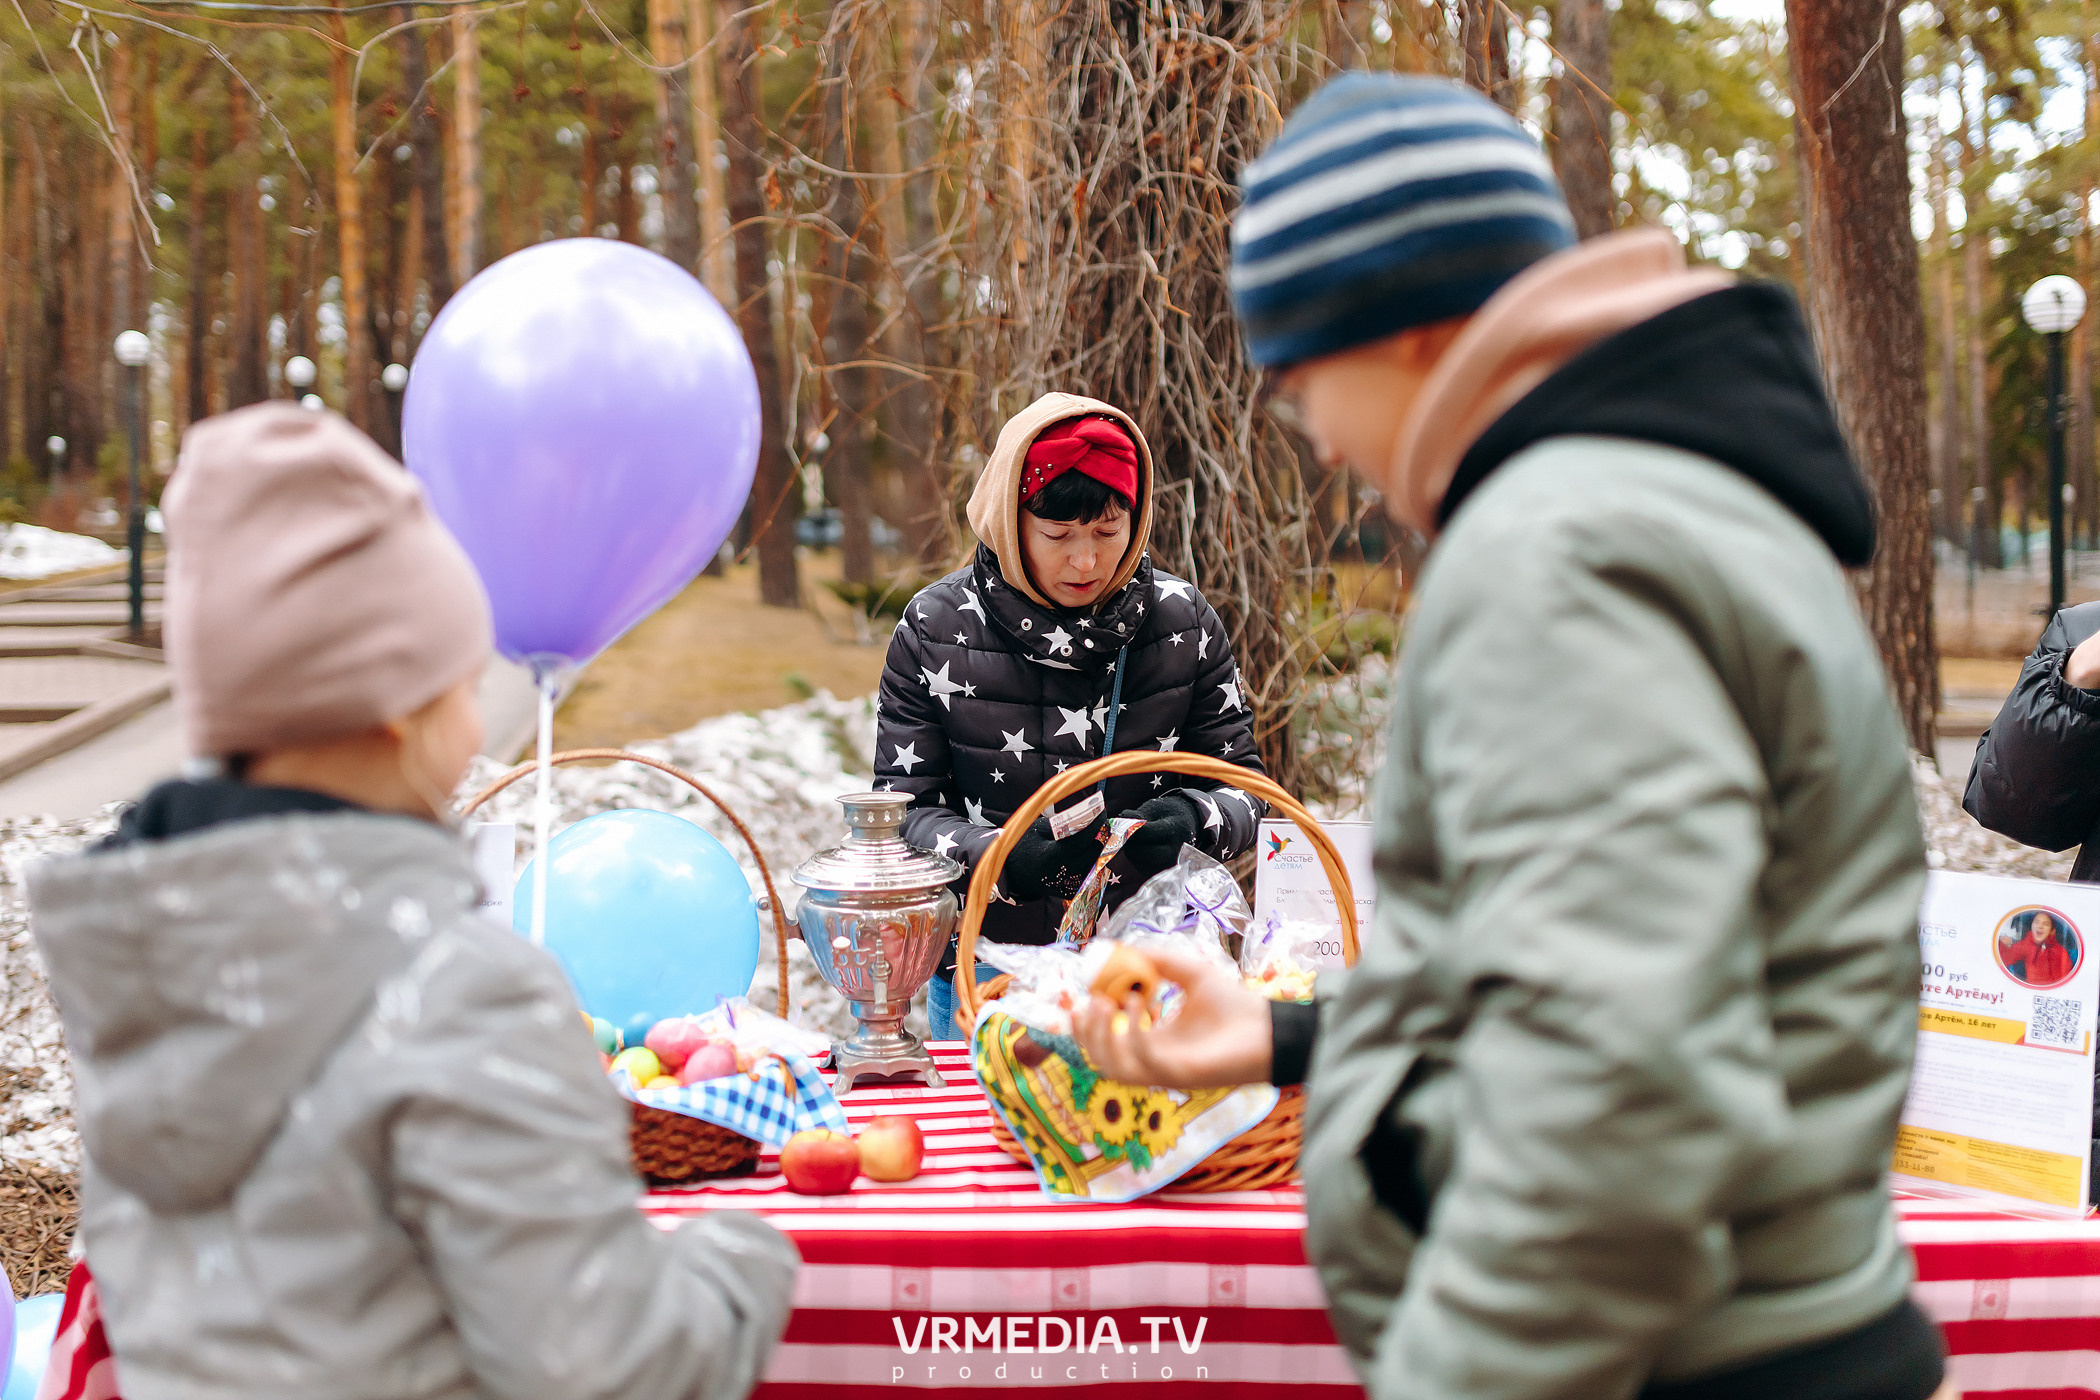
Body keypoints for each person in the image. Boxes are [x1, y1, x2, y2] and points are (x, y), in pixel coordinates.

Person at [1077, 73, 1942, 1400]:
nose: (1310, 436)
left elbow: (1619, 1073)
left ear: (1411, 332)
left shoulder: (1554, 552)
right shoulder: (1672, 499)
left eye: (1300, 373)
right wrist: (1283, 1039)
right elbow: (1643, 960)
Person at [28, 404, 797, 1400]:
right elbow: (615, 1366)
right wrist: (745, 1257)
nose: (477, 713)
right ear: (398, 707)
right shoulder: (460, 990)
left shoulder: (146, 969)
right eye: (462, 678)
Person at [875, 392, 1265, 1041]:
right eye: (1058, 535)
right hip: (987, 974)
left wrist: (1194, 820)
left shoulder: (1182, 624)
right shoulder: (935, 629)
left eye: (1108, 531)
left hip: (1155, 977)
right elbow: (901, 815)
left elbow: (1247, 790)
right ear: (1009, 519)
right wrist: (999, 861)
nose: (1086, 561)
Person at [2000, 910, 2076, 986]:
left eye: (2046, 924)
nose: (2040, 926)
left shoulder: (2060, 953)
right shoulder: (2027, 944)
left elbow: (2065, 983)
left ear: (2052, 931)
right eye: (2036, 922)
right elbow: (2006, 958)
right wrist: (2001, 943)